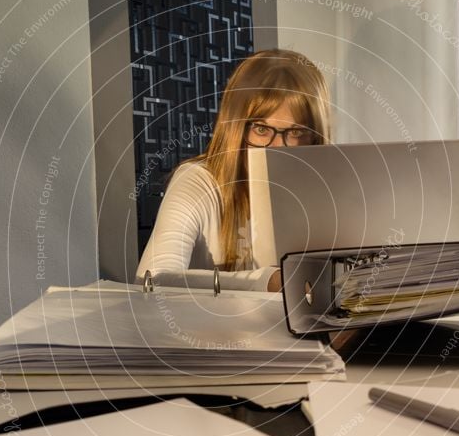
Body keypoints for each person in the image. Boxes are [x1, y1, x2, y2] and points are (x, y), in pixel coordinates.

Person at [136, 48, 331, 291]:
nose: (279, 148)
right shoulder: (197, 181)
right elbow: (152, 280)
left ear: (316, 137)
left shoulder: (322, 189)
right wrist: (267, 282)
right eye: (261, 129)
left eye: (296, 132)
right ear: (236, 129)